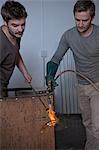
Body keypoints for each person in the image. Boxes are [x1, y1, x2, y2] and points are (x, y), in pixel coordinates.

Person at [46, 0, 99, 149]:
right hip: (81, 86)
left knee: (97, 126)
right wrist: (50, 73)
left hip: (97, 86)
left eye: (85, 20)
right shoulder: (68, 35)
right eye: (77, 20)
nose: (80, 24)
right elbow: (56, 58)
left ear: (92, 18)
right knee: (87, 122)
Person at [0, 0, 32, 98]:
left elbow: (15, 52)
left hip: (3, 86)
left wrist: (25, 72)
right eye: (15, 25)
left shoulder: (16, 35)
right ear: (5, 22)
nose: (20, 29)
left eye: (23, 24)